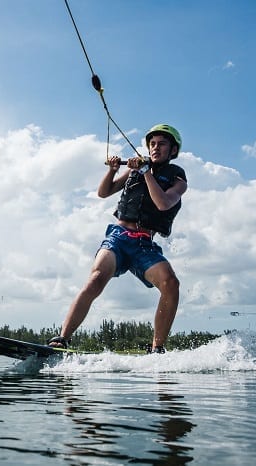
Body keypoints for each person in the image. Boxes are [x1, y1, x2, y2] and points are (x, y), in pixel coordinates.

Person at [48, 124, 187, 353]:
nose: (155, 148)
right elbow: (103, 192)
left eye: (162, 144)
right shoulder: (135, 170)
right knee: (96, 278)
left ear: (173, 150)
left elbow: (163, 203)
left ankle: (157, 348)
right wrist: (113, 170)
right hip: (119, 237)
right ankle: (62, 338)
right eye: (152, 144)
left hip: (144, 244)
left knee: (171, 284)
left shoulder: (177, 179)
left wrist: (146, 174)